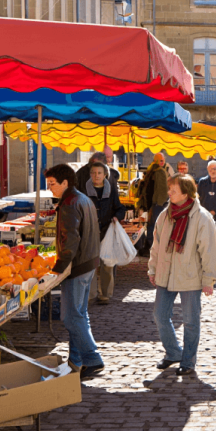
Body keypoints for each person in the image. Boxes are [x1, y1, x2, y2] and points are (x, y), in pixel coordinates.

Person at [148, 174, 216, 376]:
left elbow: (209, 251)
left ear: (186, 193)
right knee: (160, 315)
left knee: (190, 320)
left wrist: (208, 280)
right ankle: (173, 352)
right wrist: (153, 269)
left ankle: (188, 361)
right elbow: (156, 245)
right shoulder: (165, 215)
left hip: (190, 276)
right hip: (165, 273)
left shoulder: (202, 217)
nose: (169, 193)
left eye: (173, 190)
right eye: (169, 189)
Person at [45, 164, 103, 378]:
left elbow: (71, 240)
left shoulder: (70, 203)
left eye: (52, 184)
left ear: (65, 183)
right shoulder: (82, 198)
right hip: (88, 262)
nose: (50, 188)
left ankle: (92, 358)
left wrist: (59, 268)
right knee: (79, 315)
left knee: (71, 317)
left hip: (77, 266)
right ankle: (76, 361)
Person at [85, 162, 126, 304]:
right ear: (90, 174)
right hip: (89, 232)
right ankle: (90, 294)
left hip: (106, 231)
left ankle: (105, 294)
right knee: (90, 265)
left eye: (99, 173)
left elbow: (120, 208)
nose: (96, 176)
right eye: (93, 173)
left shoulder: (111, 191)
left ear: (105, 175)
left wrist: (116, 217)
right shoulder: (84, 191)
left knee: (107, 264)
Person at [138, 153, 169, 252]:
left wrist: (158, 204)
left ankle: (151, 247)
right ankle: (150, 246)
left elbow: (163, 191)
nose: (161, 162)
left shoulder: (158, 171)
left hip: (158, 204)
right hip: (154, 204)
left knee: (153, 226)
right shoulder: (154, 171)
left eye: (162, 160)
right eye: (160, 160)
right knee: (152, 225)